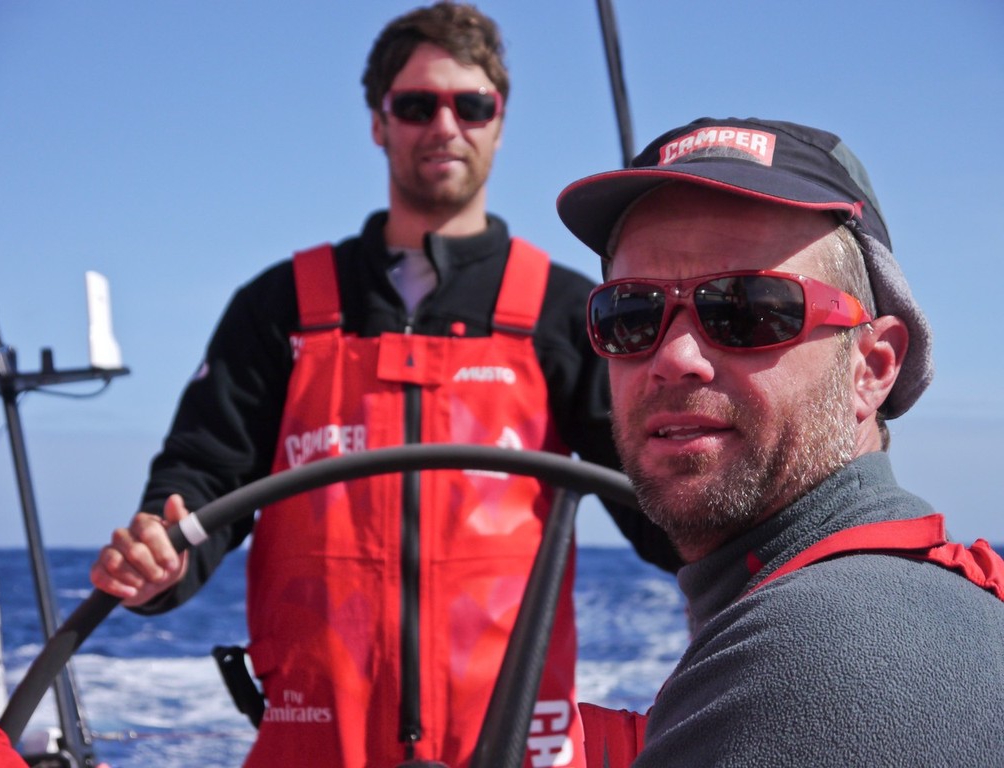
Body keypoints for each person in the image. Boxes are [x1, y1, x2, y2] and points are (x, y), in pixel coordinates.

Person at [89, 3, 680, 767]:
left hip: (508, 749)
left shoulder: (566, 312)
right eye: (415, 105)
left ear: (500, 122)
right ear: (379, 122)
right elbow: (199, 483)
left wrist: (764, 554)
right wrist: (156, 560)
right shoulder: (281, 308)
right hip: (316, 744)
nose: (445, 125)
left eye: (471, 105)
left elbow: (666, 509)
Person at [556, 116, 1004, 765]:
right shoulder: (930, 608)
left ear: (872, 367)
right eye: (631, 314)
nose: (675, 355)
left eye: (745, 309)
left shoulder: (817, 658)